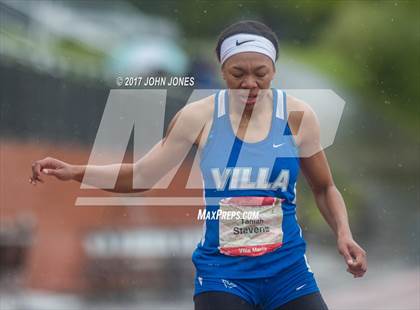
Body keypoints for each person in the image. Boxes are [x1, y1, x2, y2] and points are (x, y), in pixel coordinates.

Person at [30, 20, 367, 310]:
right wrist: (75, 171)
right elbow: (143, 175)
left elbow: (324, 187)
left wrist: (343, 233)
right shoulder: (198, 117)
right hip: (224, 275)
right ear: (221, 71)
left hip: (287, 271)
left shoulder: (297, 117)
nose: (250, 84)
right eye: (238, 74)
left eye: (260, 74)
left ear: (274, 70)